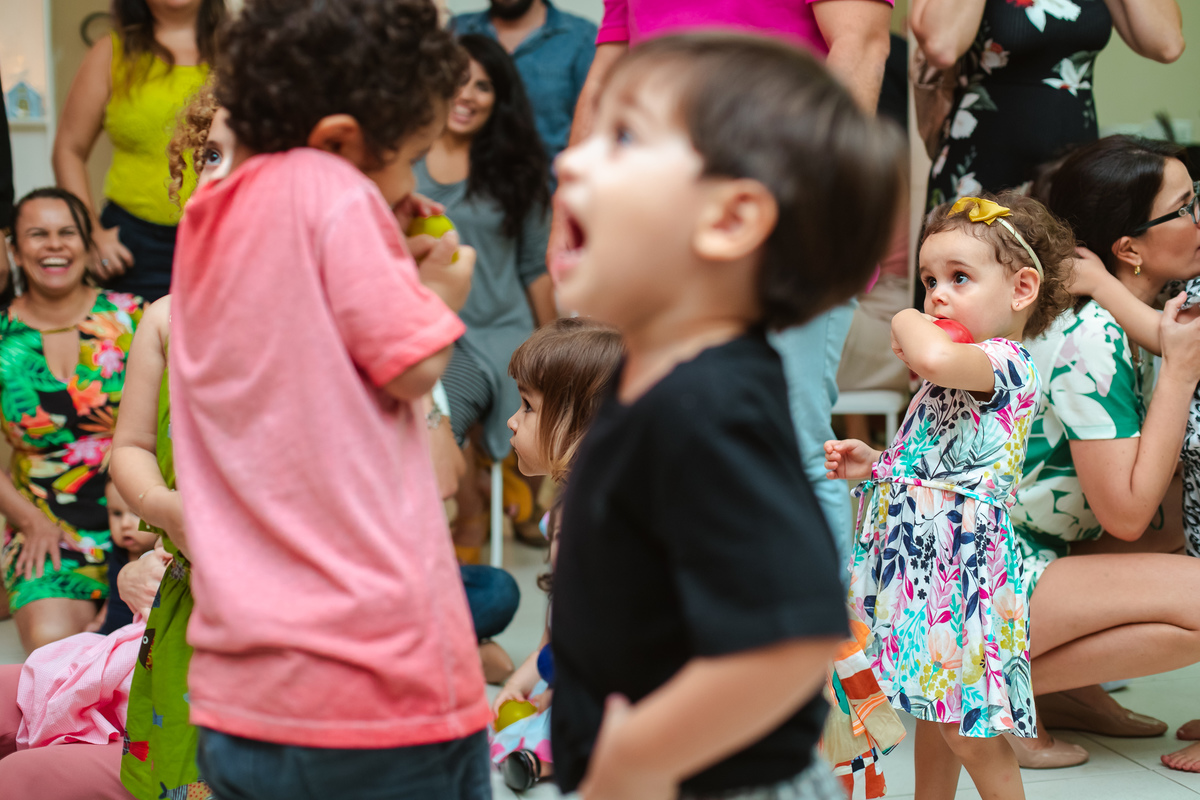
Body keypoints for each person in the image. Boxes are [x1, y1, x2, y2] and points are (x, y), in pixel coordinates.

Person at [549, 34, 903, 800]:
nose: (568, 161)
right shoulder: (656, 379)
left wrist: (635, 762)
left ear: (731, 218)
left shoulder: (708, 406)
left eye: (623, 138)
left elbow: (790, 637)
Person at [169, 1, 490, 797]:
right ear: (342, 140)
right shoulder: (332, 193)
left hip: (241, 697)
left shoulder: (212, 211)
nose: (412, 182)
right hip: (370, 694)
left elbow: (307, 337)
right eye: (411, 156)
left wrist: (380, 231)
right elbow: (413, 368)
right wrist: (439, 290)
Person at [549, 0, 895, 567]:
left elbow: (862, 43)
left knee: (787, 444)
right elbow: (611, 70)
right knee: (656, 441)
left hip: (783, 222)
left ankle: (818, 654)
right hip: (658, 224)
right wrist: (570, 208)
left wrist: (809, 197)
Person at [827, 192, 1076, 799]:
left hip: (957, 574)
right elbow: (945, 463)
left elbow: (932, 354)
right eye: (929, 280)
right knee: (932, 717)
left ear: (1021, 290)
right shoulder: (959, 372)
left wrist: (904, 321)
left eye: (958, 278)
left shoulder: (1005, 362)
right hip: (919, 570)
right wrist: (879, 465)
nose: (935, 295)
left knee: (967, 730)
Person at [1006, 135, 1200, 772]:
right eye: (1185, 208)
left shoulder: (1128, 316)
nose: (1199, 221)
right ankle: (1000, 691)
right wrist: (1178, 373)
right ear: (1129, 248)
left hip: (1040, 544)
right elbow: (1125, 516)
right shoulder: (1091, 341)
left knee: (1179, 530)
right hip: (984, 572)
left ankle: (1067, 691)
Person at [417, 33, 555, 559]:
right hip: (426, 325)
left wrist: (552, 347)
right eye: (457, 79)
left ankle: (469, 520)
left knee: (442, 394)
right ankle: (477, 495)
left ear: (500, 98)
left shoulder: (517, 172)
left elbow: (534, 270)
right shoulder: (401, 162)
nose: (467, 94)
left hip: (500, 332)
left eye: (483, 85)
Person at [0, 188, 142, 655]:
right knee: (52, 649)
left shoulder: (135, 318)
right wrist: (29, 523)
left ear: (87, 243)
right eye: (37, 235)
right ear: (15, 250)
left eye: (67, 233)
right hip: (46, 521)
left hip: (141, 517)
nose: (55, 245)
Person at [488, 318, 622, 792]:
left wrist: (550, 696)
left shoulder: (579, 525)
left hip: (611, 693)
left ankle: (553, 756)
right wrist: (528, 681)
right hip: (589, 678)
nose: (512, 420)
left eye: (527, 407)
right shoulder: (581, 507)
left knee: (527, 736)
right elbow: (557, 632)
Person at [914, 0, 1184, 211]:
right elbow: (941, 47)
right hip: (984, 159)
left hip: (1073, 163)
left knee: (1069, 276)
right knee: (968, 269)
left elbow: (1167, 44)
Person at [52, 0, 226, 301]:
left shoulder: (244, 50)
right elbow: (68, 149)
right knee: (135, 346)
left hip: (225, 236)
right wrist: (92, 234)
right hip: (134, 247)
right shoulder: (110, 53)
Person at [454, 0, 597, 167]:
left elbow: (594, 127)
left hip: (546, 184)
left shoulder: (582, 38)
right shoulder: (457, 30)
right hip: (464, 179)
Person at [89, 479, 155, 636]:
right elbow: (114, 594)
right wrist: (98, 621)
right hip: (111, 632)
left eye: (136, 513)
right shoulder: (118, 551)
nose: (125, 524)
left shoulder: (162, 559)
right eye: (116, 513)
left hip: (140, 639)